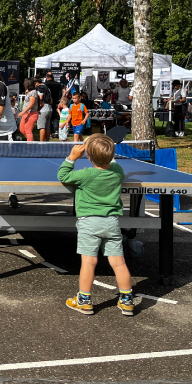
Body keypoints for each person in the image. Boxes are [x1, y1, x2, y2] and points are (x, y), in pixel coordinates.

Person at [59, 135, 137, 316]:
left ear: (88, 157)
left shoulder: (86, 174)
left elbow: (63, 175)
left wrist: (71, 157)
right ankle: (127, 301)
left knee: (89, 262)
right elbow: (113, 163)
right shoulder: (117, 171)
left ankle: (84, 301)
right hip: (111, 223)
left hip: (89, 223)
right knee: (119, 264)